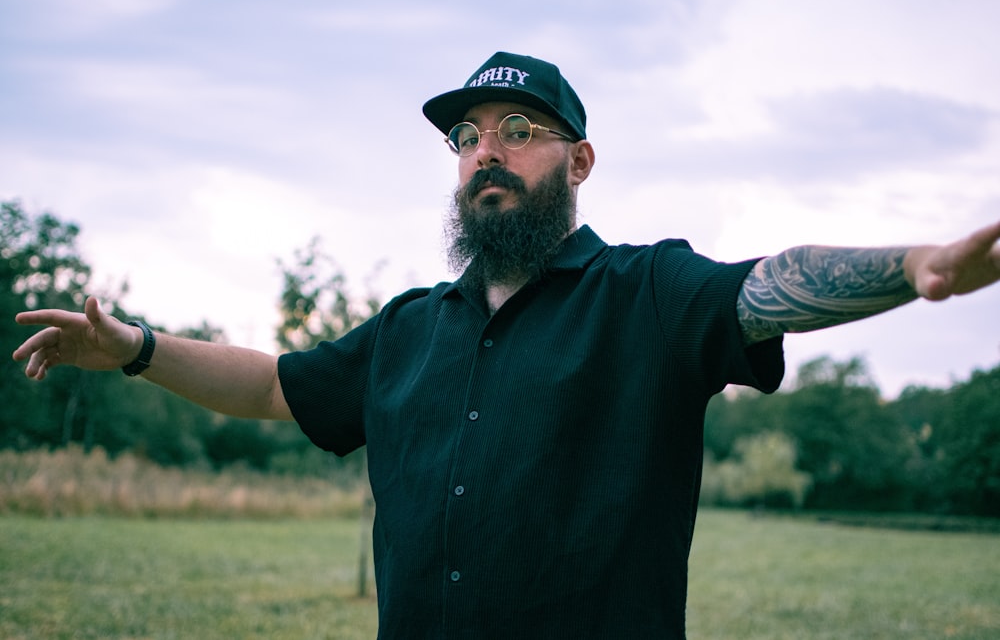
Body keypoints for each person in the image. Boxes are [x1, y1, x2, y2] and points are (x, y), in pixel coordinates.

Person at [12, 51, 1000, 639]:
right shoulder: (408, 328)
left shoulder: (644, 293)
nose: (486, 149)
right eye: (468, 136)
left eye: (517, 129)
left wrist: (912, 264)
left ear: (577, 160)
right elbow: (275, 384)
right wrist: (140, 348)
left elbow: (765, 284)